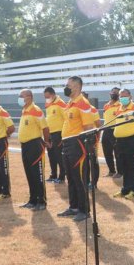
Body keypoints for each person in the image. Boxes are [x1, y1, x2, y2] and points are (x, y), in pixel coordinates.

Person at [58, 76, 96, 222]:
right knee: (71, 177)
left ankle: (84, 210)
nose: (66, 87)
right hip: (67, 143)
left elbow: (88, 127)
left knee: (80, 178)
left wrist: (87, 146)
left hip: (77, 144)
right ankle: (73, 207)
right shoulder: (70, 103)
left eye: (68, 85)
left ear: (77, 86)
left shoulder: (82, 103)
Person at [18, 89, 51, 210]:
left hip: (35, 145)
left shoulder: (36, 110)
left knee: (38, 174)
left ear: (29, 97)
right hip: (25, 146)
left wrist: (47, 141)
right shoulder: (25, 110)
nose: (20, 98)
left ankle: (41, 201)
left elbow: (45, 127)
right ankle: (32, 200)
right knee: (29, 173)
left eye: (22, 96)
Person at [43, 86, 66, 184]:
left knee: (59, 156)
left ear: (52, 94)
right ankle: (53, 175)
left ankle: (61, 176)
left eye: (47, 96)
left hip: (58, 133)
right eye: (45, 97)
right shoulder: (48, 104)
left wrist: (63, 135)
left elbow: (66, 119)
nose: (46, 99)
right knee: (51, 155)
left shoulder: (61, 104)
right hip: (50, 133)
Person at [101, 87, 121, 177]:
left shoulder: (120, 105)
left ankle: (120, 172)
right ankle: (111, 171)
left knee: (117, 152)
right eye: (113, 92)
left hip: (116, 129)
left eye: (116, 93)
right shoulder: (106, 105)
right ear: (110, 93)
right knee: (107, 151)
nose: (114, 94)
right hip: (106, 130)